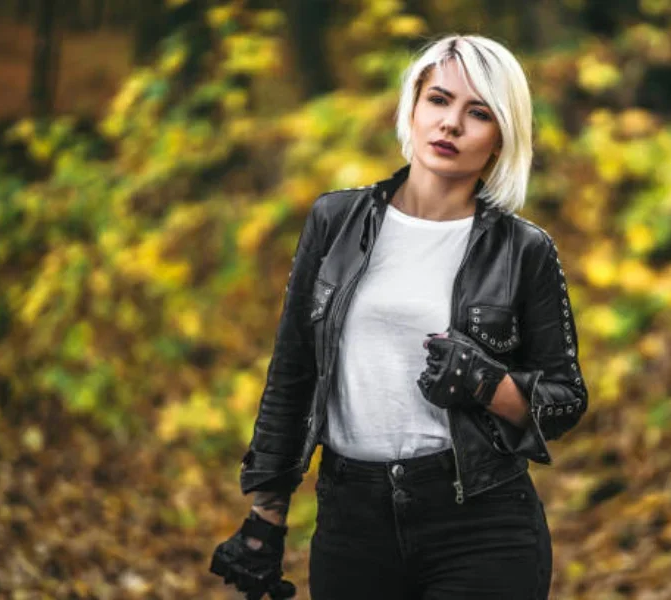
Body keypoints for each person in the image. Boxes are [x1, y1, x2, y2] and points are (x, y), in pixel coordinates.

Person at [209, 33, 589, 600]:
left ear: (500, 138)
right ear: (412, 106)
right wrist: (266, 517)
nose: (451, 124)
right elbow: (292, 373)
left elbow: (565, 400)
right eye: (439, 100)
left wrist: (487, 383)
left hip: (481, 526)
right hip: (351, 524)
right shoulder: (335, 221)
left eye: (477, 112)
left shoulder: (523, 249)